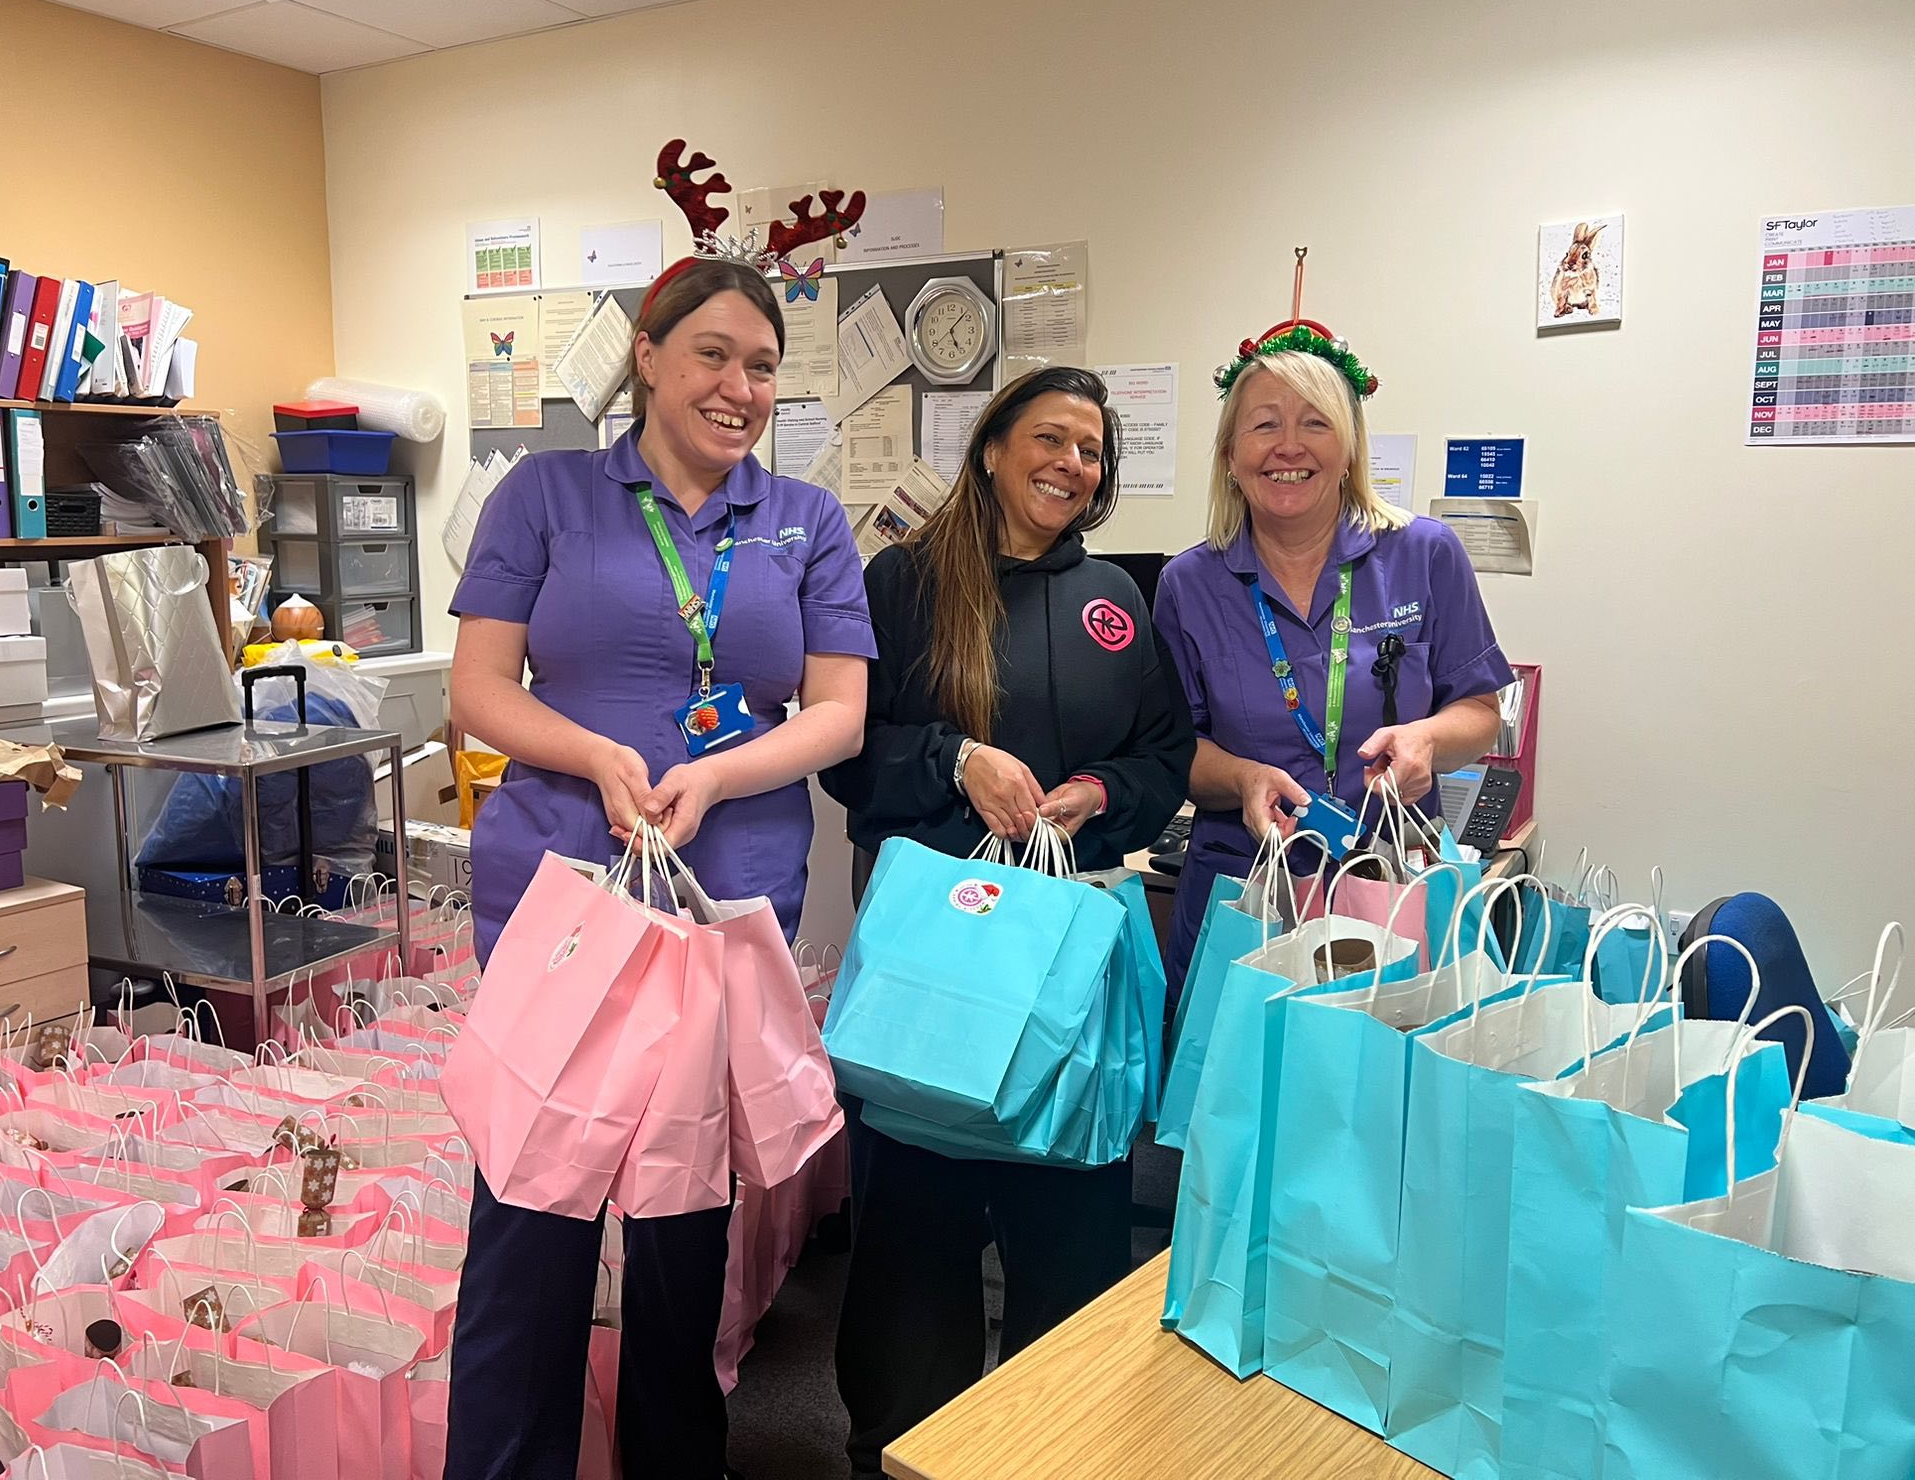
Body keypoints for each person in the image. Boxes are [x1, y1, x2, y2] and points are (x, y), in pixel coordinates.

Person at [445, 255, 874, 1480]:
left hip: (721, 905)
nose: (739, 387)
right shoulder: (546, 494)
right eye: (712, 355)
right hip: (564, 901)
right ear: (646, 355)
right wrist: (594, 755)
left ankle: (675, 1460)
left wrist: (718, 777)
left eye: (762, 367)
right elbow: (478, 690)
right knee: (531, 1219)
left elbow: (837, 713)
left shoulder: (806, 521)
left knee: (687, 1228)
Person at [820, 365, 1192, 1479]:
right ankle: (890, 1450)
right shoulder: (902, 581)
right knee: (910, 1250)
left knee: (1069, 1245)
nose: (1070, 464)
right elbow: (845, 751)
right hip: (935, 971)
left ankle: (1049, 1451)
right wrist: (953, 761)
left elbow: (1163, 755)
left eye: (1090, 450)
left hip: (1063, 973)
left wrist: (1098, 794)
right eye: (1049, 438)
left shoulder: (1116, 600)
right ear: (990, 448)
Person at [1152, 319, 1513, 980]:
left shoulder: (1426, 554)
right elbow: (1175, 750)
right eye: (1264, 424)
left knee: (1386, 1043)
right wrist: (1243, 779)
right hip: (1245, 886)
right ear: (1230, 455)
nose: (1288, 445)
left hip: (1390, 881)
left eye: (1315, 423)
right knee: (1235, 1046)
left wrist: (1426, 740)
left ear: (1349, 449)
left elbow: (1480, 712)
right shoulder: (1187, 585)